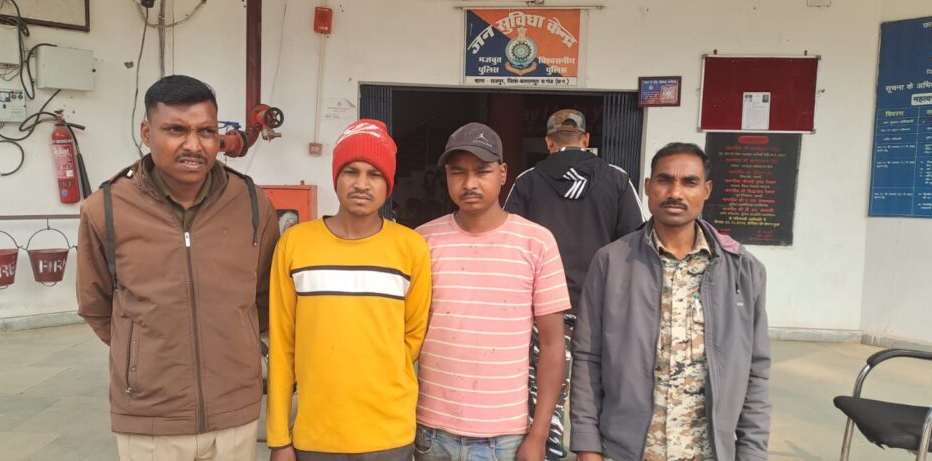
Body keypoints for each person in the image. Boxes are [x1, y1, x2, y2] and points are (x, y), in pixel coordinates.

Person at [76, 74, 280, 461]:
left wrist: (234, 345)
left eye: (206, 131)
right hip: (150, 418)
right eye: (176, 130)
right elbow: (96, 305)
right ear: (146, 132)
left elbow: (266, 298)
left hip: (234, 411)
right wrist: (143, 355)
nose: (193, 145)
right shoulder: (106, 209)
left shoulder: (251, 203)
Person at [569, 143, 771, 461]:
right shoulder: (612, 262)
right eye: (665, 180)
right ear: (648, 187)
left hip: (708, 452)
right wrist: (587, 445)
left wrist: (752, 453)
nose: (675, 193)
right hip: (627, 451)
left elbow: (755, 371)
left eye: (689, 182)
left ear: (706, 190)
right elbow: (587, 357)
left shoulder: (742, 270)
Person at [266, 119, 432, 461]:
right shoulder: (295, 244)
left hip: (389, 435)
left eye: (374, 174)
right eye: (351, 171)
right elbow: (282, 346)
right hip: (316, 435)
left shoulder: (411, 248)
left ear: (389, 183)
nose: (361, 184)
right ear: (336, 177)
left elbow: (412, 337)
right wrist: (279, 438)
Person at [414, 123, 569, 461]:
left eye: (482, 171)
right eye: (458, 172)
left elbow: (553, 347)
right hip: (430, 432)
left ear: (502, 174)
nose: (469, 183)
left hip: (504, 437)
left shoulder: (537, 242)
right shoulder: (421, 242)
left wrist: (539, 434)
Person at [504, 108, 644, 459]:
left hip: (544, 310)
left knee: (544, 389)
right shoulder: (617, 179)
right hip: (601, 308)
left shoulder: (528, 181)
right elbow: (635, 246)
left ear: (548, 142)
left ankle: (548, 448)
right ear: (586, 139)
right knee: (598, 386)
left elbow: (509, 245)